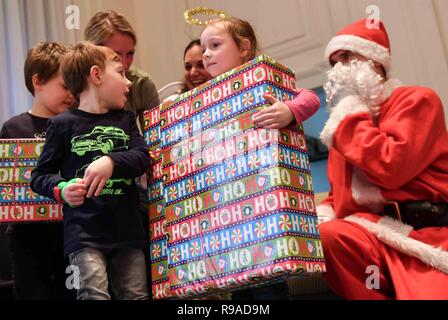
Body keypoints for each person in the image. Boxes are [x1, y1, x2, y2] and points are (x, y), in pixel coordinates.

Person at [316, 18, 448, 299]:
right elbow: (337, 197)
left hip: (425, 236)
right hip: (372, 237)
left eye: (347, 56)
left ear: (375, 62)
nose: (339, 69)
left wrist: (348, 112)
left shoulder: (418, 100)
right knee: (328, 237)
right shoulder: (341, 128)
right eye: (334, 62)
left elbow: (390, 166)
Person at [200, 16, 321, 300]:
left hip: (264, 199)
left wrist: (289, 110)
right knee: (240, 287)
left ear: (243, 47)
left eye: (215, 45)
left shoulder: (264, 82)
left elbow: (310, 98)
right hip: (228, 204)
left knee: (269, 284)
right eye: (204, 47)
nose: (206, 54)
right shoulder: (207, 99)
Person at [30, 42, 150, 300]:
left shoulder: (126, 119)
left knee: (136, 295)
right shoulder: (62, 125)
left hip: (128, 232)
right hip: (84, 234)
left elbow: (142, 157)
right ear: (96, 75)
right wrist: (62, 189)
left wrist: (111, 162)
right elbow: (40, 176)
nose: (128, 82)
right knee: (93, 294)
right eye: (120, 73)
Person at [0, 42, 75, 299]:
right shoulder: (12, 128)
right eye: (65, 86)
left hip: (70, 230)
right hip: (27, 237)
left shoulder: (75, 124)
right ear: (38, 81)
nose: (72, 94)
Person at [84, 10, 160, 133]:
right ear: (91, 52)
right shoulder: (72, 87)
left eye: (130, 53)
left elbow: (156, 138)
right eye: (115, 55)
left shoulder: (141, 85)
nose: (124, 64)